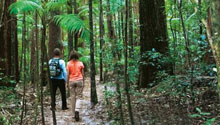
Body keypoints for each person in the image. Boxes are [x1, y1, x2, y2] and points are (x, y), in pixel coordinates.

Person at [67, 50, 85, 121]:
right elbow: (83, 74)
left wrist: (67, 82)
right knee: (79, 97)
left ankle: (73, 115)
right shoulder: (80, 63)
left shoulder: (68, 63)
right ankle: (77, 110)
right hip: (79, 80)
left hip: (71, 81)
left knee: (72, 97)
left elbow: (68, 74)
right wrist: (83, 81)